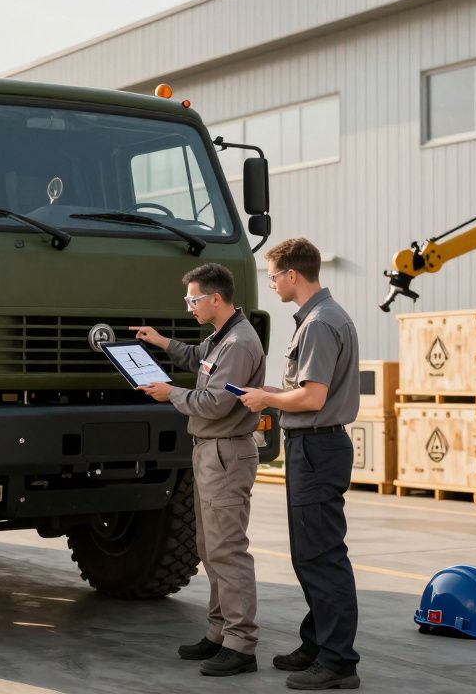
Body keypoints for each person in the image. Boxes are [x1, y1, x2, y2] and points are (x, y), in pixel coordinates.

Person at [239, 238, 361, 691]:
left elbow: (311, 397)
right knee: (308, 553)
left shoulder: (319, 323)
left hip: (316, 446)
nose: (270, 284)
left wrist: (266, 398)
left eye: (272, 276)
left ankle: (338, 662)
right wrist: (273, 394)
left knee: (321, 555)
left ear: (293, 274)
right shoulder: (321, 318)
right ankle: (317, 643)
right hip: (312, 445)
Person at [131, 263, 265, 678]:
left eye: (193, 299)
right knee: (209, 548)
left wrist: (169, 392)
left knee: (228, 550)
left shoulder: (240, 344)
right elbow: (197, 359)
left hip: (226, 452)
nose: (188, 306)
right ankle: (219, 633)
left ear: (216, 299)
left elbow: (213, 403)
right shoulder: (222, 337)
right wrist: (160, 342)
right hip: (210, 450)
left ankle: (241, 645)